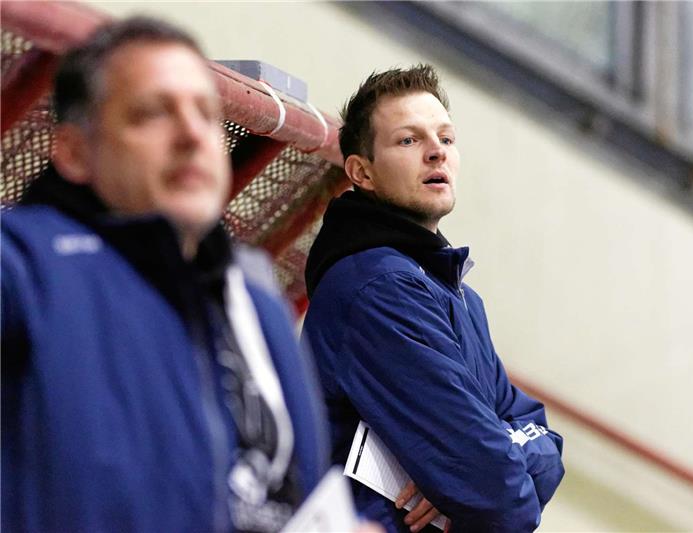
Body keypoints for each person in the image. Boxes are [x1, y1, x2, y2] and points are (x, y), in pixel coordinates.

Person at [1, 17, 330, 532]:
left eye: (206, 113)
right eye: (152, 113)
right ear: (73, 152)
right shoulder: (22, 266)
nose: (192, 135)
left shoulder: (256, 306)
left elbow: (297, 502)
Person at [302, 65, 565, 533]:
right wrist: (483, 471)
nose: (435, 153)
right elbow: (499, 493)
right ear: (362, 172)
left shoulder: (455, 293)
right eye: (409, 140)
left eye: (446, 138)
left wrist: (465, 475)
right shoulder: (381, 289)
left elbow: (539, 433)